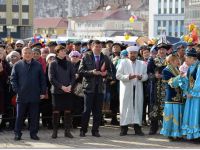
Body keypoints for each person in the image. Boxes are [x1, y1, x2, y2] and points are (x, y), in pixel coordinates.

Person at [10, 47, 46, 141]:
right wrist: (17, 90)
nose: (27, 54)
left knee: (34, 116)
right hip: (22, 95)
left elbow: (42, 79)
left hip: (35, 94)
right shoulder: (17, 65)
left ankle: (33, 133)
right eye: (25, 53)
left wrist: (43, 92)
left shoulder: (38, 65)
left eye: (29, 53)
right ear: (22, 54)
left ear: (32, 54)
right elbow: (13, 79)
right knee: (19, 116)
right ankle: (17, 134)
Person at [78, 40, 111, 137]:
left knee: (98, 111)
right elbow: (80, 71)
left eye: (100, 46)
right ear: (92, 47)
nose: (98, 48)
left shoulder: (105, 58)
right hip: (89, 88)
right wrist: (92, 72)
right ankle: (83, 130)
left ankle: (95, 130)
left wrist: (106, 74)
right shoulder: (86, 56)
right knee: (86, 110)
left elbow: (110, 72)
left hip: (100, 88)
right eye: (96, 46)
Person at [116, 45, 148, 136]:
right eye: (131, 53)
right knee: (125, 108)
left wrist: (141, 77)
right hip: (127, 88)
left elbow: (146, 76)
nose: (133, 55)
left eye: (134, 53)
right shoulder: (123, 62)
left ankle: (137, 128)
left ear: (137, 54)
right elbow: (118, 75)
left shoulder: (142, 63)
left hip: (137, 88)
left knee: (137, 107)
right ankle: (124, 129)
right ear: (128, 54)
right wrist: (128, 77)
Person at [170, 48, 200, 142]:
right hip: (191, 96)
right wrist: (185, 90)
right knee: (191, 115)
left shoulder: (199, 66)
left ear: (192, 58)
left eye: (187, 58)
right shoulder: (191, 67)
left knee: (196, 115)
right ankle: (192, 135)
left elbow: (198, 82)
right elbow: (187, 81)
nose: (185, 60)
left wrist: (192, 92)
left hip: (197, 96)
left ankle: (197, 136)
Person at [48, 45, 75, 139]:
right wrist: (62, 87)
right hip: (57, 91)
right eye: (62, 51)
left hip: (68, 90)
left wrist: (70, 86)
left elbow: (73, 76)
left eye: (65, 51)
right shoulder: (53, 63)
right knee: (56, 111)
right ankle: (55, 131)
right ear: (57, 52)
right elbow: (51, 78)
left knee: (68, 111)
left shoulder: (69, 63)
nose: (64, 52)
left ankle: (67, 131)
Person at [160, 54, 184, 141]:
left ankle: (177, 134)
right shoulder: (165, 70)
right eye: (175, 60)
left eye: (178, 59)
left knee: (178, 115)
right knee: (171, 115)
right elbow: (170, 82)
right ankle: (170, 134)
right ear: (170, 61)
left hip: (179, 96)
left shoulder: (177, 69)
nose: (178, 61)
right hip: (171, 97)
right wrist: (180, 76)